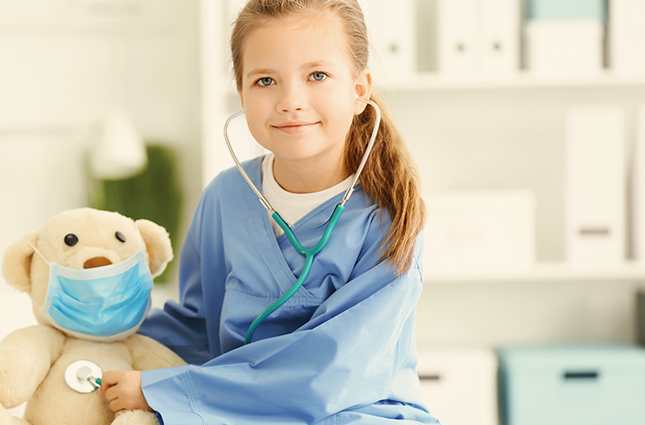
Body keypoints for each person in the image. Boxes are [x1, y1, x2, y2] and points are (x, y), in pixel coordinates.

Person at [99, 0, 438, 423]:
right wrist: (94, 332)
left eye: (317, 75)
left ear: (359, 90)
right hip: (234, 410)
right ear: (241, 93)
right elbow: (195, 326)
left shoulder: (389, 216)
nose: (290, 101)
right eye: (265, 81)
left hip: (358, 413)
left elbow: (332, 372)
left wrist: (166, 391)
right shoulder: (226, 197)